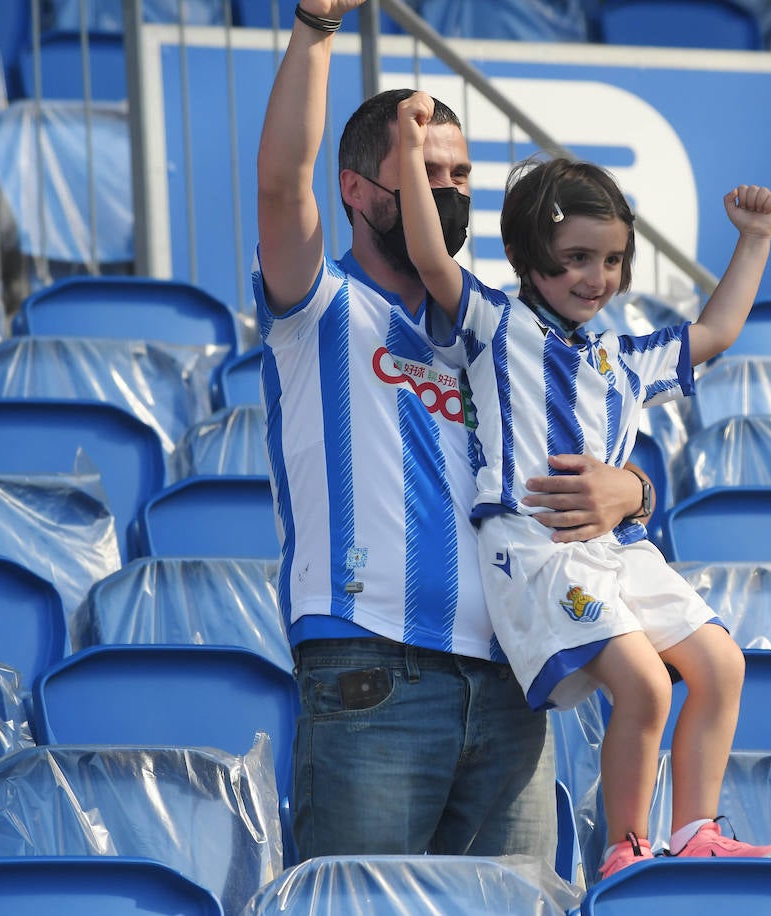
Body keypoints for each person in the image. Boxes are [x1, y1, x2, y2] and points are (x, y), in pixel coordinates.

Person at [253, 0, 652, 861]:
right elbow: (283, 185)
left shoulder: (509, 326)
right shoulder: (319, 304)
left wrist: (637, 490)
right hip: (372, 680)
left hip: (519, 678)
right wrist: (316, 31)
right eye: (423, 169)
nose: (450, 191)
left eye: (463, 174)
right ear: (359, 190)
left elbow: (607, 433)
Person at [394, 90, 771, 879]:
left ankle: (698, 829)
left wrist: (753, 241)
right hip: (536, 550)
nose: (595, 277)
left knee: (721, 665)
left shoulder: (622, 355)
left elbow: (713, 332)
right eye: (575, 258)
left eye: (610, 260)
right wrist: (409, 156)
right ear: (528, 259)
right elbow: (432, 259)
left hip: (619, 547)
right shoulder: (493, 323)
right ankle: (625, 849)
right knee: (645, 682)